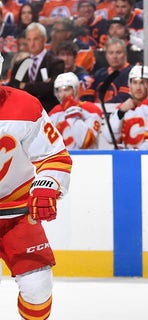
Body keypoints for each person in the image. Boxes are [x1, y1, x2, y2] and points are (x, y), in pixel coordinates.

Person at [0, 53, 73, 320]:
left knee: (38, 287)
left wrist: (46, 185)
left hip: (17, 215)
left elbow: (54, 156)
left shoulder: (25, 106)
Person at [104, 64, 148, 149]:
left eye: (142, 82)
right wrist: (120, 112)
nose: (138, 87)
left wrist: (135, 155)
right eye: (134, 83)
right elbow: (110, 138)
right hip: (132, 158)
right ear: (129, 85)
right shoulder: (123, 108)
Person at [7, 22, 65, 112]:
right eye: (29, 40)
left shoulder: (55, 63)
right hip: (24, 111)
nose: (32, 44)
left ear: (44, 40)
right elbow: (14, 87)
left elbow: (51, 88)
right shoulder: (22, 64)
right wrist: (40, 85)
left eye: (35, 39)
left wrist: (25, 86)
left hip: (47, 111)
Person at [49, 72, 103, 149]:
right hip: (63, 159)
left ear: (76, 90)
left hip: (87, 159)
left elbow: (85, 142)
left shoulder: (92, 110)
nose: (63, 95)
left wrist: (72, 112)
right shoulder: (54, 113)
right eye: (59, 91)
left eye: (66, 90)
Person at [81, 37, 132, 103]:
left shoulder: (132, 73)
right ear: (106, 56)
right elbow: (87, 96)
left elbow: (124, 97)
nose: (114, 57)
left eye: (118, 53)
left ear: (125, 54)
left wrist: (104, 107)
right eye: (111, 53)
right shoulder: (99, 74)